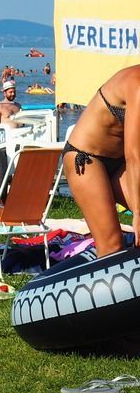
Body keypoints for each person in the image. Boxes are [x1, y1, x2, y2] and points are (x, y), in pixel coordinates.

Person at [62, 65, 140, 257]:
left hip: (118, 164)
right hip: (86, 158)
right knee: (112, 245)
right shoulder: (137, 84)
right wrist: (137, 213)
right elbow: (134, 155)